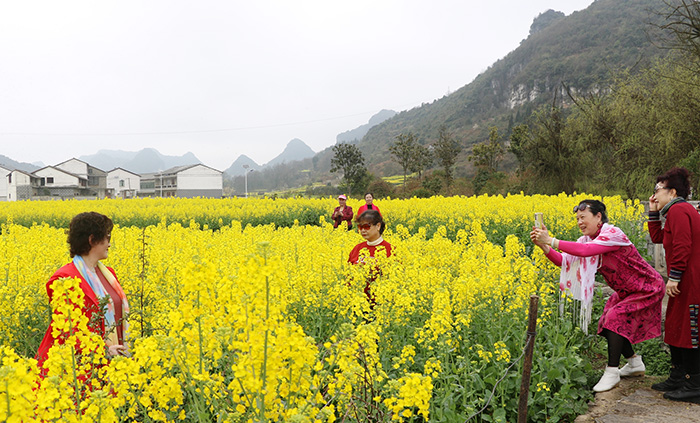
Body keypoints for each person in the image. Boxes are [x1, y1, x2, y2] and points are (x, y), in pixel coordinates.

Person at [531, 199, 664, 393]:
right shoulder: (586, 240)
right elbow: (564, 261)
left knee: (615, 317)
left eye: (583, 217)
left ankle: (612, 372)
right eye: (577, 218)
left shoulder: (612, 234)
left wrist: (551, 240)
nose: (579, 222)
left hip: (646, 287)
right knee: (606, 320)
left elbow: (586, 252)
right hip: (626, 291)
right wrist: (544, 247)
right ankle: (634, 363)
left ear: (598, 216)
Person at [36, 212, 130, 372]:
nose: (109, 244)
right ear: (92, 240)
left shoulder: (109, 275)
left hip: (114, 361)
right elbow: (65, 330)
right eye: (107, 238)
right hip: (81, 368)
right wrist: (103, 351)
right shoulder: (64, 279)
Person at [648, 167, 700, 402]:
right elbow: (659, 238)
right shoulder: (674, 211)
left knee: (691, 329)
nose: (654, 195)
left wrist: (675, 276)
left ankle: (695, 383)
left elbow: (682, 245)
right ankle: (679, 375)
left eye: (657, 190)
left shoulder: (680, 211)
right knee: (676, 325)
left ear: (672, 191)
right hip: (685, 280)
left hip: (690, 281)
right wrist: (652, 212)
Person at [348, 210, 392, 305]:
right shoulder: (357, 248)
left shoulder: (390, 250)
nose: (363, 230)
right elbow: (348, 275)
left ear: (378, 226)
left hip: (380, 307)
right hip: (356, 305)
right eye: (360, 227)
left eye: (366, 226)